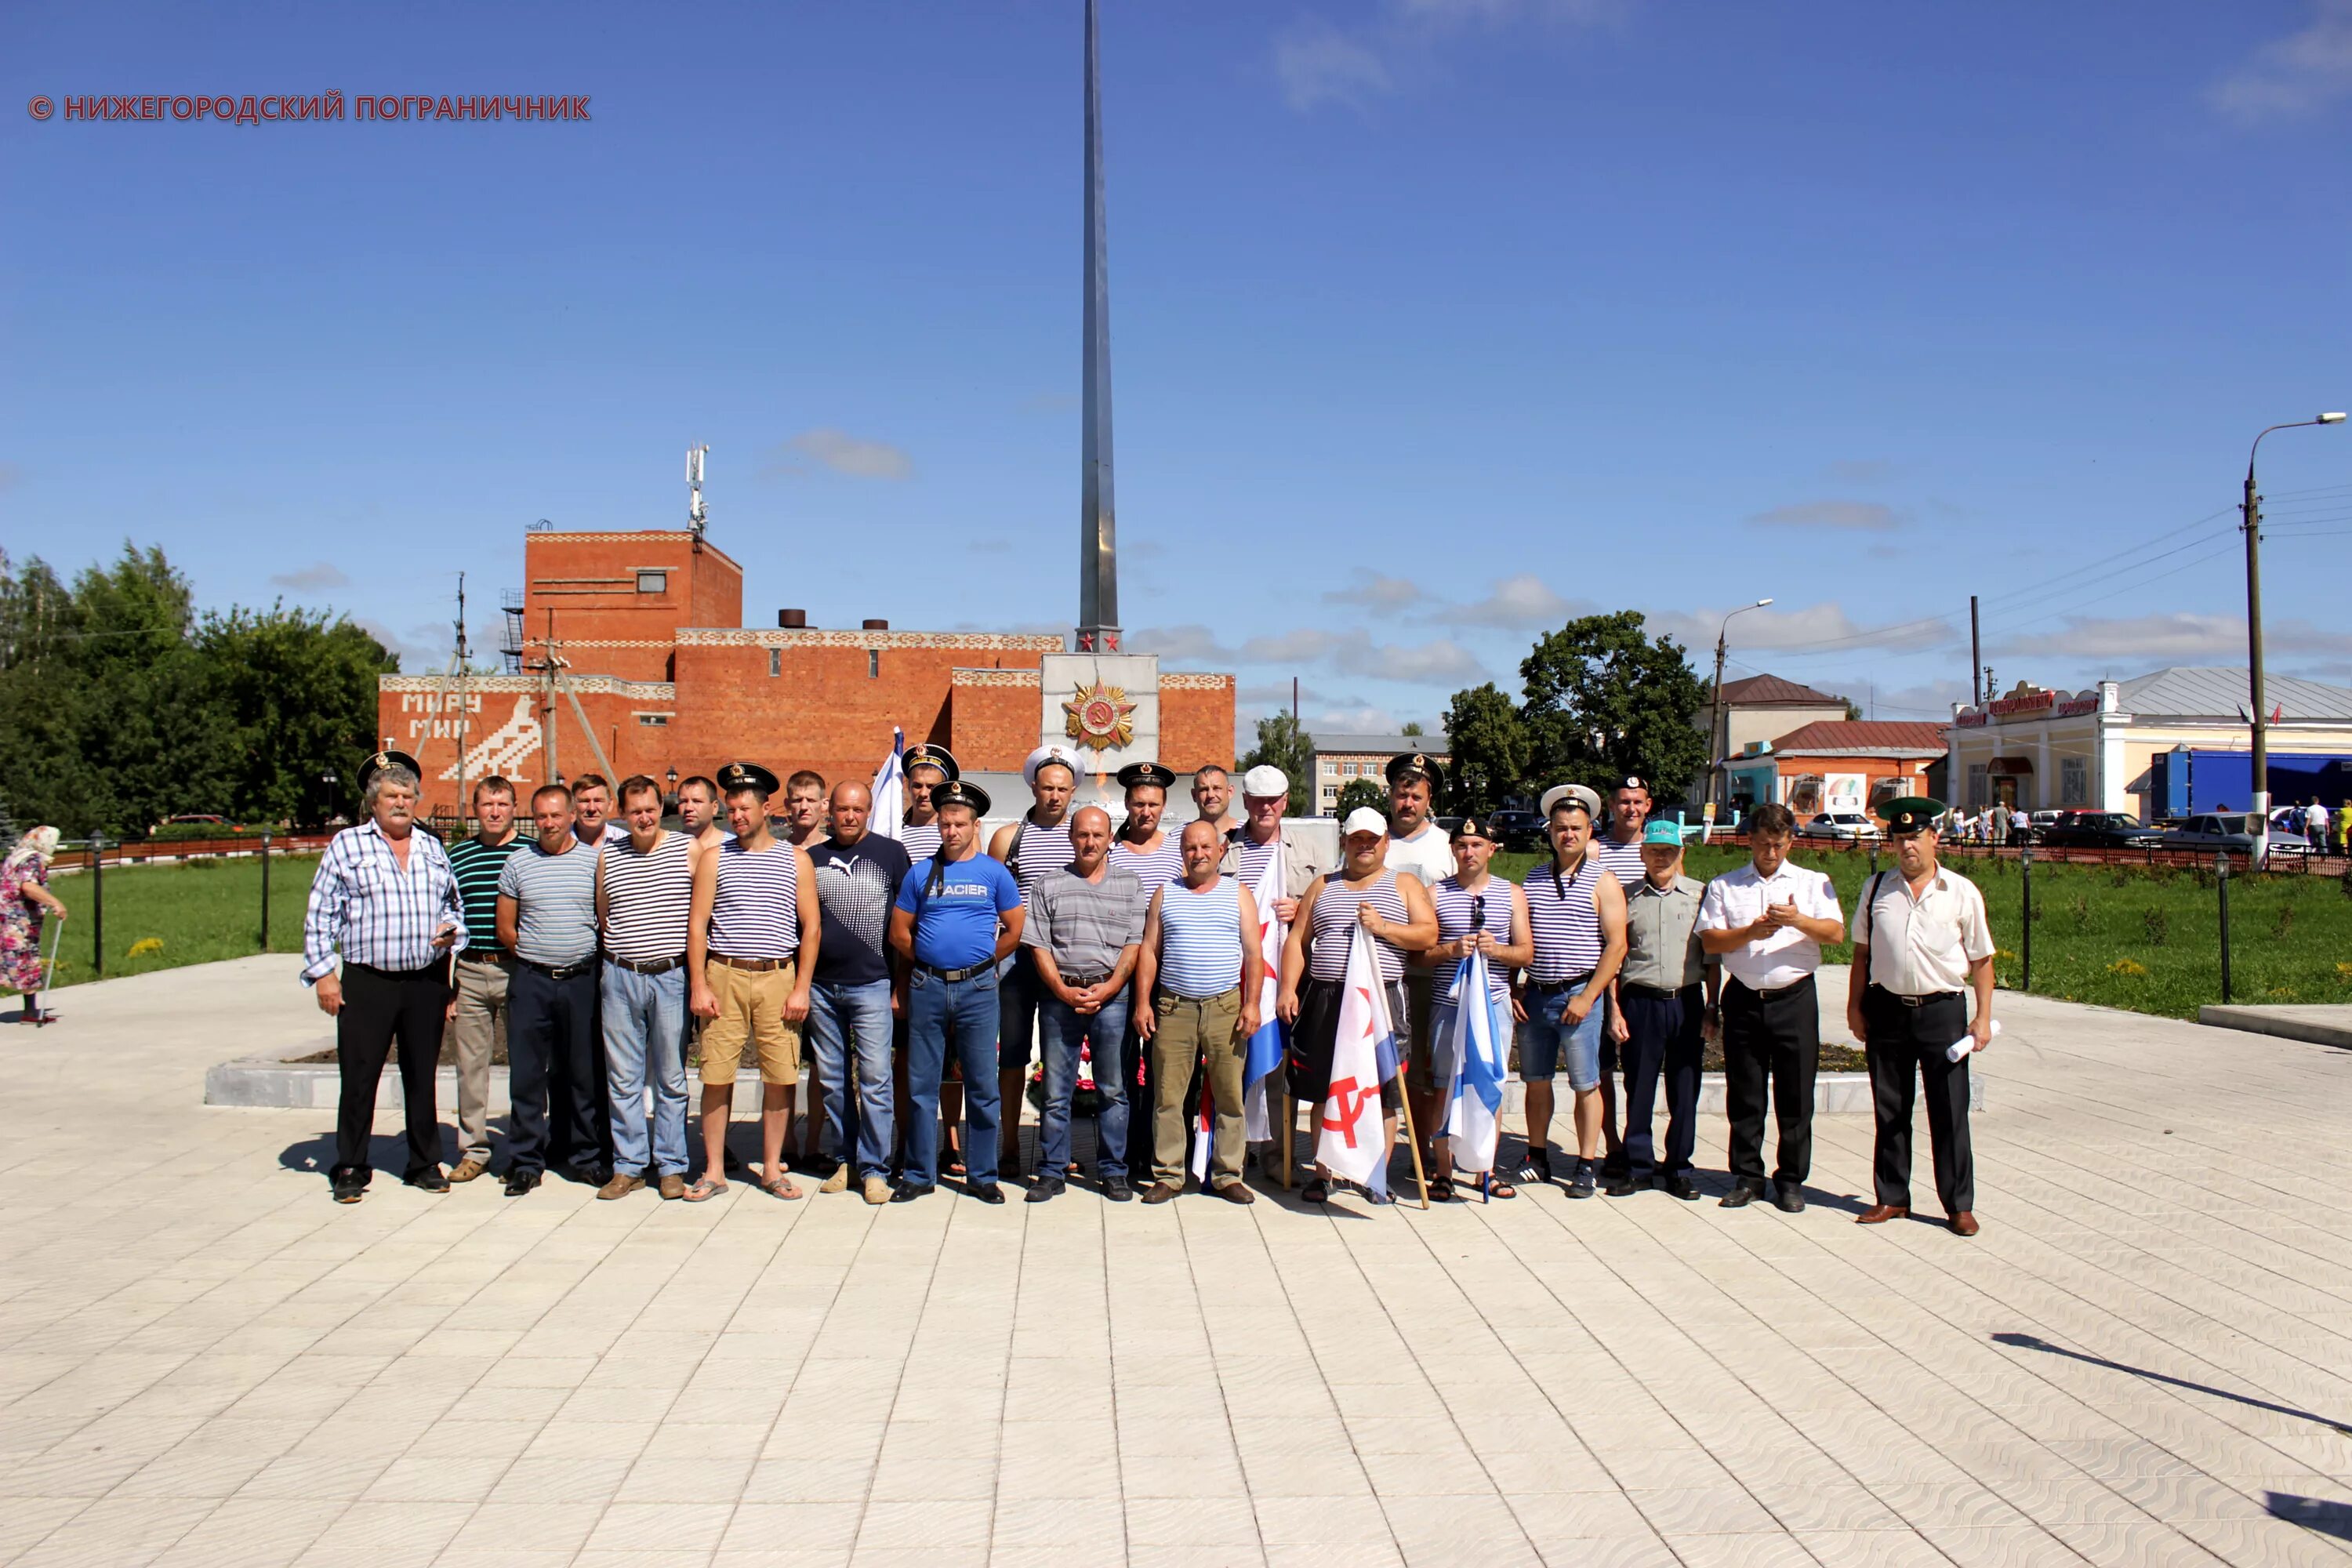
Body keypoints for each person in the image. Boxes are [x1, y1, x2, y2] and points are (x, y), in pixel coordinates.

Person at [301, 750, 465, 1203]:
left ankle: (423, 1162)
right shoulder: (348, 846)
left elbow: (453, 906)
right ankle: (351, 1165)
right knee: (359, 1075)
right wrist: (323, 975)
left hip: (425, 980)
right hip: (368, 980)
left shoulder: (432, 846)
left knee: (422, 1073)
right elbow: (320, 914)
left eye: (408, 795)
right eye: (391, 795)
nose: (400, 802)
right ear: (374, 801)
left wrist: (454, 931)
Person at [1850, 797, 1996, 1236]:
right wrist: (1855, 1007)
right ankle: (1892, 1197)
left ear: (1934, 839)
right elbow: (1861, 953)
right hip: (1888, 1010)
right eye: (1899, 838)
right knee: (1890, 1109)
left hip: (1942, 1012)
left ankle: (1958, 1204)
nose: (1907, 846)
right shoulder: (1877, 888)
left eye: (1915, 837)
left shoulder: (1961, 891)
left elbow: (1983, 959)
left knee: (1950, 1112)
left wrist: (1984, 1017)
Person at [1279, 805, 1438, 1202]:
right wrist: (1287, 988)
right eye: (1356, 840)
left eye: (1372, 840)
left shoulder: (1404, 884)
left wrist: (1384, 927)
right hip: (1326, 997)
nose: (1364, 847)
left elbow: (1428, 934)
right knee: (1322, 1087)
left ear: (1386, 843)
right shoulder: (1323, 885)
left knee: (1381, 1089)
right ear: (1344, 843)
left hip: (1380, 999)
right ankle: (1323, 1173)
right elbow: (1298, 941)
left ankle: (1375, 1176)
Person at [1697, 800, 1843, 1214]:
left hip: (1794, 998)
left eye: (1778, 844)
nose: (1771, 853)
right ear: (1750, 841)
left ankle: (1792, 1179)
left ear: (1791, 840)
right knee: (1746, 1094)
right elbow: (1710, 942)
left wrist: (1797, 920)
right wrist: (1751, 931)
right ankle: (1747, 1177)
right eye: (1763, 844)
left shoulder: (1813, 882)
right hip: (1743, 996)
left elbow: (1834, 933)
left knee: (1796, 1095)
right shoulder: (1726, 886)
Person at [687, 762, 820, 1202]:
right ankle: (713, 1171)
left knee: (780, 1075)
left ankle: (771, 1169)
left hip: (777, 977)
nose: (737, 816)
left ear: (767, 808)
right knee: (716, 1075)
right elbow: (698, 924)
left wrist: (801, 987)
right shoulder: (714, 857)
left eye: (745, 808)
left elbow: (811, 928)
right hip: (723, 975)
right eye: (731, 809)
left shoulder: (796, 859)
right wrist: (699, 986)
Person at [891, 780, 1025, 1203]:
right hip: (928, 986)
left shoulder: (993, 872)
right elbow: (899, 933)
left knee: (983, 1085)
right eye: (945, 824)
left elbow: (1015, 929)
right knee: (921, 1084)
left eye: (959, 824)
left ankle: (983, 1176)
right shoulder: (919, 873)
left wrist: (982, 962)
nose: (951, 831)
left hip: (979, 989)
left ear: (974, 825)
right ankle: (918, 1173)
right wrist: (931, 961)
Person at [1022, 804, 1147, 1202]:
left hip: (1112, 998)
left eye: (1098, 834)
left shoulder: (1131, 885)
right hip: (1061, 998)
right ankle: (1052, 1171)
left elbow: (1134, 944)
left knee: (1114, 1089)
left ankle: (1113, 1171)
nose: (1090, 842)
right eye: (1082, 834)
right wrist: (1059, 988)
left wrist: (1110, 987)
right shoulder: (1048, 885)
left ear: (1110, 839)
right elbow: (1038, 943)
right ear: (1071, 838)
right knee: (1057, 1091)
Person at [1136, 818, 1265, 1203]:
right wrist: (1143, 1002)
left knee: (1229, 1096)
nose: (1199, 854)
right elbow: (1148, 950)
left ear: (1220, 850)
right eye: (1191, 848)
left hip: (1225, 1007)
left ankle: (1228, 1174)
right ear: (1182, 853)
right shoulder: (1165, 894)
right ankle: (1169, 1175)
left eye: (1206, 847)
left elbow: (1255, 954)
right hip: (1174, 1007)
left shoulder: (1238, 893)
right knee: (1169, 1096)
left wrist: (1253, 1002)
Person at [1513, 785, 1628, 1198]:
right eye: (1560, 828)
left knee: (1586, 1084)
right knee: (1536, 1081)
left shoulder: (1604, 880)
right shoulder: (1534, 877)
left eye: (1576, 828)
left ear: (1590, 829)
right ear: (1550, 832)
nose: (1568, 835)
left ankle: (1585, 1163)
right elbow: (1520, 936)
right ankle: (1537, 1155)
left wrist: (1589, 996)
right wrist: (1516, 988)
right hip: (1538, 993)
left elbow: (1617, 946)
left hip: (1579, 994)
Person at [496, 782, 607, 1196]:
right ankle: (526, 1160)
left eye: (556, 815)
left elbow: (603, 919)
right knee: (527, 1075)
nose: (548, 823)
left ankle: (585, 1156)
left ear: (571, 816)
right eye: (541, 816)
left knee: (583, 1073)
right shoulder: (519, 862)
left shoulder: (593, 861)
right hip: (532, 980)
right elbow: (506, 926)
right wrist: (535, 956)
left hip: (580, 980)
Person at [805, 779, 912, 1205]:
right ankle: (845, 1159)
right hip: (820, 987)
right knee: (833, 1081)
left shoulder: (891, 854)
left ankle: (874, 1168)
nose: (850, 817)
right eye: (843, 809)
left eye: (858, 810)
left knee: (874, 1079)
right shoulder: (811, 858)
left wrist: (900, 982)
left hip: (872, 984)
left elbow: (906, 926)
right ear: (830, 810)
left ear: (869, 811)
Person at [593, 775, 695, 1201]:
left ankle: (671, 1166)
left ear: (661, 808)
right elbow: (603, 915)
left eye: (651, 808)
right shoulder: (608, 856)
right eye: (635, 811)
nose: (644, 817)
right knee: (624, 1077)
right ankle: (629, 1165)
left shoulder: (686, 849)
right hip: (620, 976)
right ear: (623, 814)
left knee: (671, 1075)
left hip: (671, 977)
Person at [1421, 816, 1532, 1200]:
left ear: (1491, 849)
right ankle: (1443, 1171)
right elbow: (1420, 957)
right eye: (1462, 846)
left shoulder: (1511, 894)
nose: (1469, 852)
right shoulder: (1435, 894)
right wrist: (1452, 950)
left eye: (1476, 845)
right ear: (1453, 851)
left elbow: (1526, 952)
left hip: (1493, 1004)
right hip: (1447, 1005)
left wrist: (1496, 950)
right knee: (1443, 1086)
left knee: (1489, 1085)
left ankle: (1486, 1168)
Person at [1606, 819, 1718, 1200]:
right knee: (1639, 1087)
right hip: (1641, 1003)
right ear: (1642, 854)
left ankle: (1679, 1168)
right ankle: (1638, 1166)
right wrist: (1615, 1009)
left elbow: (1712, 958)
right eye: (1653, 851)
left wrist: (1712, 1005)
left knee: (1684, 1088)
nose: (1660, 857)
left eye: (1668, 851)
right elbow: (1615, 958)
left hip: (1686, 1001)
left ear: (1680, 854)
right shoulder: (1626, 898)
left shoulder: (1700, 896)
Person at [989, 744, 1080, 1178]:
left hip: (1066, 958)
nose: (1055, 797)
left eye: (1063, 789)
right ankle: (1008, 1147)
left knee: (1062, 1059)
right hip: (1017, 961)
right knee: (1012, 1056)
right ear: (1033, 787)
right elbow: (992, 903)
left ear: (1074, 790)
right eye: (1047, 788)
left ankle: (1057, 1150)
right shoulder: (1009, 838)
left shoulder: (1083, 835)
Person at [1381, 752, 1456, 1193]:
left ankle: (1425, 1152)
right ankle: (1377, 1149)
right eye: (1401, 794)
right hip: (1381, 970)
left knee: (1423, 1068)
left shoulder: (1444, 845)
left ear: (1429, 800)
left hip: (1426, 973)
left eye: (1416, 795)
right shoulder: (1373, 839)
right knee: (1383, 1065)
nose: (1407, 803)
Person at [443, 777, 521, 1182]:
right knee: (471, 1065)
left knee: (527, 1065)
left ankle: (526, 1148)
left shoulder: (529, 852)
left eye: (502, 804)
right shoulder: (458, 856)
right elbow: (448, 918)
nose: (495, 811)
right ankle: (474, 1148)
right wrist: (451, 985)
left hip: (517, 968)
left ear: (513, 807)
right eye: (487, 804)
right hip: (472, 969)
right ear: (475, 809)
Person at [1586, 775, 1653, 1180]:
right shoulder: (1597, 851)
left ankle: (1638, 1143)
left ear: (1648, 806)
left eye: (1638, 802)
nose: (1630, 809)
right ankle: (1611, 1144)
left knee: (1640, 1068)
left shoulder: (1660, 848)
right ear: (1612, 806)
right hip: (1603, 969)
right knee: (1603, 1067)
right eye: (1623, 802)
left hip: (1642, 972)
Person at [1, 826, 66, 1024]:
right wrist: (55, 902)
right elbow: (28, 886)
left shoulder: (16, 857)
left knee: (23, 964)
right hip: (18, 922)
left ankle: (30, 1012)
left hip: (8, 918)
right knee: (23, 961)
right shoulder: (32, 859)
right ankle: (30, 1012)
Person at [1112, 760, 1185, 895]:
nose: (1146, 813)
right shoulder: (1110, 851)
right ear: (1126, 803)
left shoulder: (1179, 851)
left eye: (1153, 805)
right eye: (1139, 804)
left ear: (1163, 806)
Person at [897, 744, 956, 865]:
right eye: (917, 786)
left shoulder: (955, 832)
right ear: (908, 787)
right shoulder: (893, 831)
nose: (923, 793)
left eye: (931, 787)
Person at [777, 769, 828, 849]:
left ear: (824, 804)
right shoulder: (777, 852)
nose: (804, 807)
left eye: (811, 800)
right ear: (787, 804)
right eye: (798, 800)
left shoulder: (836, 851)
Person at [571, 773, 625, 847]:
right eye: (585, 801)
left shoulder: (626, 842)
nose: (592, 808)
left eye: (598, 801)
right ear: (572, 805)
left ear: (610, 804)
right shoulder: (559, 842)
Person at [1190, 763, 1237, 837]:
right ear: (1194, 795)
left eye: (1217, 788)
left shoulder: (1250, 833)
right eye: (1204, 789)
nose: (1210, 795)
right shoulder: (1177, 838)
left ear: (1230, 792)